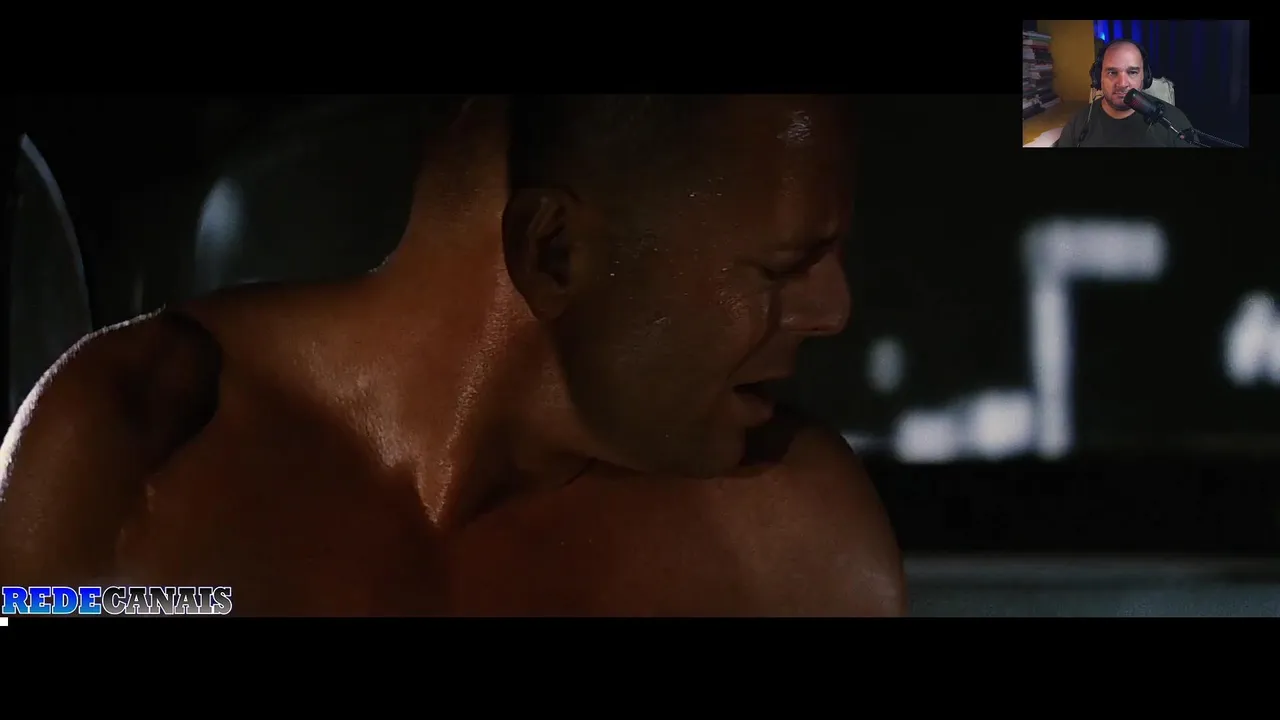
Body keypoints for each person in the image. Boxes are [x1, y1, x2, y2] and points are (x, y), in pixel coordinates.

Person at [0, 95, 907, 616]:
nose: (834, 310)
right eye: (783, 266)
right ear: (555, 251)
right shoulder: (132, 448)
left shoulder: (790, 544)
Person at [1055, 39, 1195, 148]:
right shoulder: (1078, 124)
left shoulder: (1174, 121)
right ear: (1098, 77)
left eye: (1132, 72)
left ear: (1145, 77)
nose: (1122, 84)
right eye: (1112, 72)